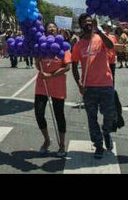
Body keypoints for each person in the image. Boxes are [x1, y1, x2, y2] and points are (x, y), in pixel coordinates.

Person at [70, 13, 117, 159]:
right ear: (81, 25)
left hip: (106, 84)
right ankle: (98, 145)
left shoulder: (100, 38)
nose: (88, 23)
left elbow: (111, 46)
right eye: (85, 22)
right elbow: (74, 66)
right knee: (92, 118)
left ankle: (106, 132)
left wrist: (100, 32)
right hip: (89, 87)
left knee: (109, 115)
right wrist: (79, 83)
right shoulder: (78, 45)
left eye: (90, 21)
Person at [34, 22, 70, 158]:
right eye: (49, 28)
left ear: (57, 31)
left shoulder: (63, 46)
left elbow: (67, 67)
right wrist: (38, 63)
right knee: (39, 113)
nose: (51, 29)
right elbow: (38, 65)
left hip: (58, 86)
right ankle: (47, 140)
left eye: (53, 28)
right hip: (42, 85)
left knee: (59, 115)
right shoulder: (41, 46)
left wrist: (51, 75)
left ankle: (62, 144)